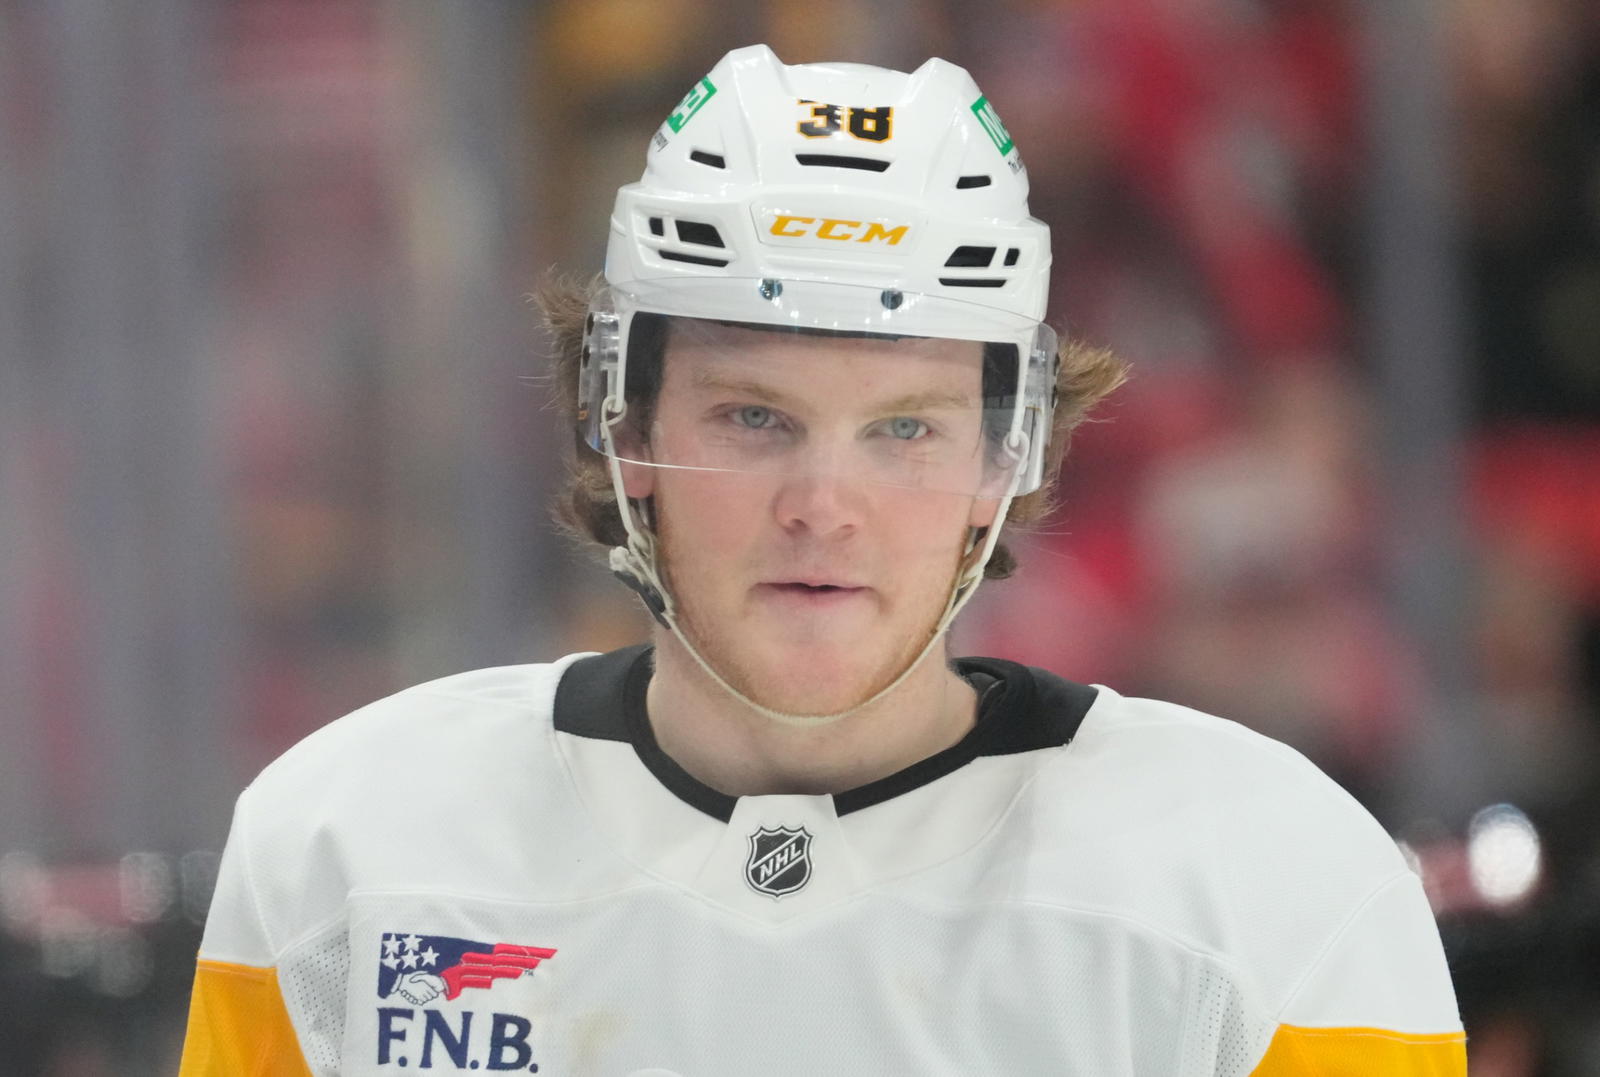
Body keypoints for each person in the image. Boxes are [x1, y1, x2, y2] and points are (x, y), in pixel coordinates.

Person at [179, 45, 1464, 1076]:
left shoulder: (1271, 881)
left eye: (904, 430)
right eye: (754, 418)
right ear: (622, 426)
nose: (822, 506)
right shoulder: (349, 844)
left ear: (1002, 459)